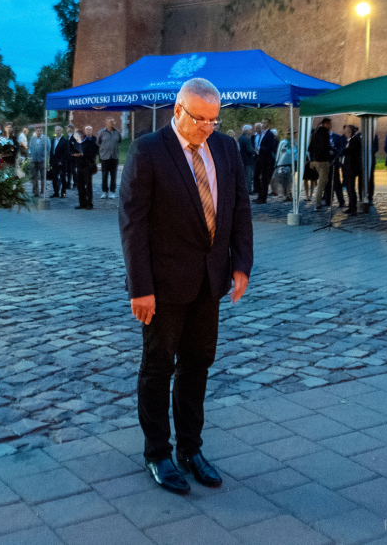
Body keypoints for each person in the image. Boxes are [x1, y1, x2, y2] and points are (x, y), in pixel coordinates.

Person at [118, 77, 252, 495]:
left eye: (214, 119)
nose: (208, 127)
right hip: (162, 284)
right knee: (158, 368)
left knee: (197, 366)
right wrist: (141, 286)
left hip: (210, 279)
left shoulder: (226, 148)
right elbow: (132, 223)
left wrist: (242, 263)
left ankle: (191, 449)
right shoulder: (149, 151)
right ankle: (158, 452)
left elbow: (239, 207)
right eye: (200, 119)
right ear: (178, 111)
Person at [309, 118, 332, 211]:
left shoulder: (315, 134)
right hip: (323, 161)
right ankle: (317, 203)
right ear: (325, 124)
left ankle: (320, 200)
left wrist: (312, 159)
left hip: (316, 161)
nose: (331, 126)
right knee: (322, 183)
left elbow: (310, 148)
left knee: (322, 182)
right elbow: (324, 147)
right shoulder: (325, 134)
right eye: (330, 124)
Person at [71, 129, 95, 209]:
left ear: (82, 135)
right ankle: (82, 203)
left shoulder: (89, 143)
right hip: (79, 166)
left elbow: (92, 154)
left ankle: (89, 204)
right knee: (80, 186)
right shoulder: (76, 144)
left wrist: (81, 154)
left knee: (88, 185)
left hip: (87, 166)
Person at [254, 119, 277, 203]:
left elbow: (270, 148)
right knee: (256, 177)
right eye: (262, 122)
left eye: (264, 123)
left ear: (268, 124)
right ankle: (259, 195)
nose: (263, 124)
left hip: (265, 159)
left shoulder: (270, 134)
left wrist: (260, 148)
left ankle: (263, 197)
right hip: (258, 157)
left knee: (264, 178)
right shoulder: (261, 133)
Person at [341, 125, 362, 215]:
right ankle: (350, 206)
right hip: (347, 167)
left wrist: (344, 150)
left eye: (346, 131)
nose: (344, 133)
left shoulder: (355, 141)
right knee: (348, 188)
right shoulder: (349, 140)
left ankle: (353, 208)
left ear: (349, 132)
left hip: (352, 168)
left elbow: (351, 152)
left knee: (351, 188)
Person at [98, 118, 121, 198]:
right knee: (104, 175)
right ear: (106, 123)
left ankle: (112, 191)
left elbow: (119, 141)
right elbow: (99, 143)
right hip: (105, 157)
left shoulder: (117, 132)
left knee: (113, 175)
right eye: (109, 122)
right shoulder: (102, 133)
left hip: (114, 157)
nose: (111, 123)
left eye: (112, 122)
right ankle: (104, 192)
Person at [49, 126, 69, 198]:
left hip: (61, 162)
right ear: (55, 131)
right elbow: (52, 152)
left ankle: (63, 192)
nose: (57, 132)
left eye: (59, 130)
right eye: (56, 131)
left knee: (63, 178)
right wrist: (50, 162)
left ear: (61, 131)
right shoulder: (53, 140)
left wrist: (61, 161)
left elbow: (66, 153)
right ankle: (56, 192)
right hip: (54, 162)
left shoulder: (65, 141)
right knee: (54, 178)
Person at [274, 132, 294, 201]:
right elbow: (279, 152)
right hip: (282, 163)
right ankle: (285, 194)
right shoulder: (283, 142)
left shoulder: (293, 143)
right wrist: (277, 162)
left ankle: (289, 194)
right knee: (283, 180)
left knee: (289, 180)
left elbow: (294, 152)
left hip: (290, 164)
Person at [28, 126, 47, 198]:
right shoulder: (32, 139)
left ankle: (43, 191)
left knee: (43, 177)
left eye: (40, 130)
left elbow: (48, 148)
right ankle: (36, 192)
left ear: (42, 131)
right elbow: (30, 148)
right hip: (34, 160)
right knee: (34, 177)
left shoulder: (45, 139)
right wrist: (31, 156)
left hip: (42, 160)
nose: (38, 132)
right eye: (37, 130)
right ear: (35, 131)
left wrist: (45, 157)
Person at [238, 124, 256, 193]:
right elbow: (250, 149)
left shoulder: (240, 138)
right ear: (247, 130)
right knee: (248, 175)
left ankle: (244, 189)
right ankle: (248, 190)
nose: (251, 131)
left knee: (244, 176)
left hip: (242, 158)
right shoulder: (247, 138)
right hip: (248, 160)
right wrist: (255, 151)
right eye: (250, 130)